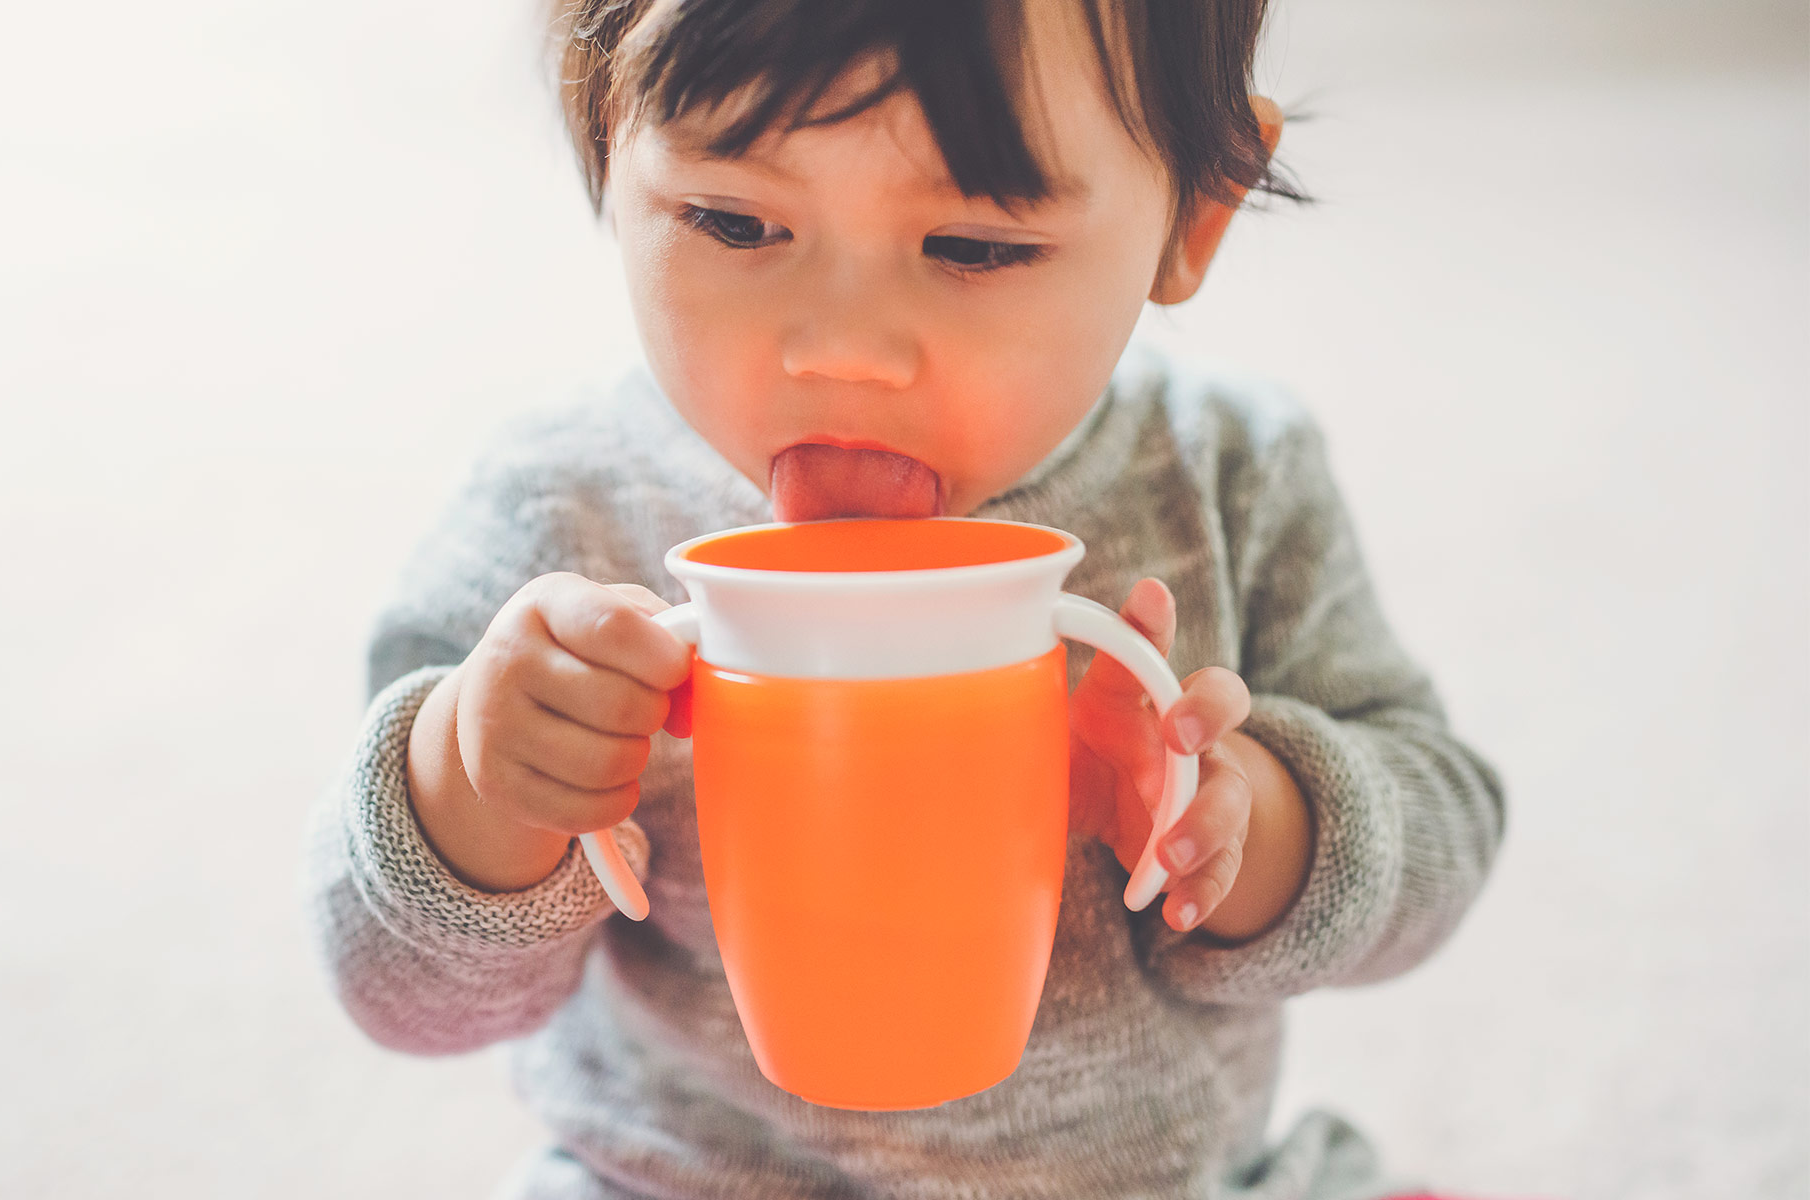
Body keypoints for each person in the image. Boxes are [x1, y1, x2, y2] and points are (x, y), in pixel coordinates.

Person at [301, 0, 1508, 1195]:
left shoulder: (1227, 471)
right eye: (732, 220)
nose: (843, 349)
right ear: (610, 139)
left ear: (1197, 213)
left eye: (974, 247)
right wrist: (473, 790)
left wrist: (1251, 824)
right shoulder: (556, 515)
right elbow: (396, 998)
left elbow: (1446, 828)